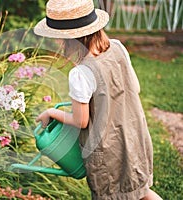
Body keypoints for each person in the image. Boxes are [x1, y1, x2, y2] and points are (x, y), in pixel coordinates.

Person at [34, 0, 163, 199]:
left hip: (109, 151)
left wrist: (51, 112)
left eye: (58, 38)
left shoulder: (80, 73)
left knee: (113, 194)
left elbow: (80, 121)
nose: (57, 43)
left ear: (71, 38)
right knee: (141, 191)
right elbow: (134, 88)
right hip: (135, 137)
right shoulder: (118, 48)